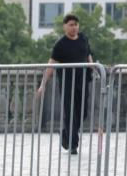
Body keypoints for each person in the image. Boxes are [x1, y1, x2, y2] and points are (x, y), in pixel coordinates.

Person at [37, 14, 95, 155]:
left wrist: (96, 68)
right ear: (64, 27)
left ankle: (65, 133)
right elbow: (51, 65)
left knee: (82, 113)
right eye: (71, 24)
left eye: (76, 24)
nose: (74, 27)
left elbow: (89, 56)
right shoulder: (60, 44)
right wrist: (43, 84)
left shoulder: (83, 39)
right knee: (70, 113)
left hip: (83, 81)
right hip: (67, 83)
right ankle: (73, 144)